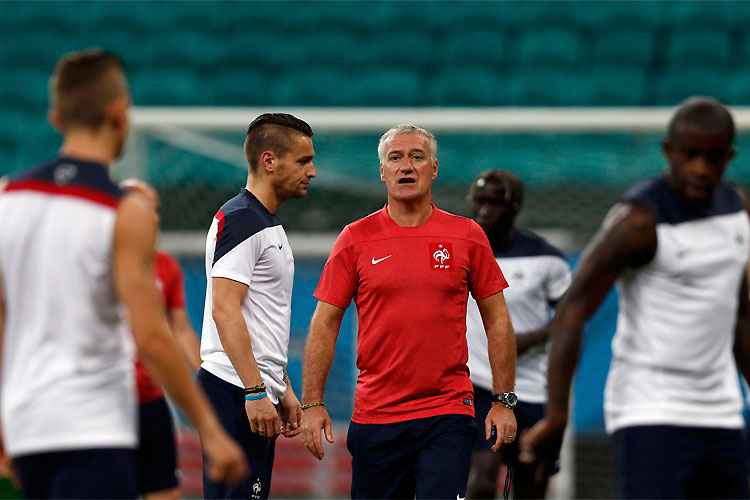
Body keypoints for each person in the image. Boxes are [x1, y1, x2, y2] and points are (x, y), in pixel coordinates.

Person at [0, 49, 247, 499]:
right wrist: (209, 429)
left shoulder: (7, 198)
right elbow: (151, 334)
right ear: (119, 112)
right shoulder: (123, 210)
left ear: (56, 117)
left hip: (28, 425)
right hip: (93, 423)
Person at [521, 97, 750, 499]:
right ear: (668, 152)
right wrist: (556, 416)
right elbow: (573, 310)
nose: (700, 167)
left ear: (729, 157)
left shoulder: (737, 212)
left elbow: (741, 313)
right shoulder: (639, 222)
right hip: (650, 408)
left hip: (721, 412)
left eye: (712, 157)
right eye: (689, 155)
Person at [301, 124, 517, 500]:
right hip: (376, 415)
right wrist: (313, 402)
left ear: (434, 169)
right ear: (382, 171)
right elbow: (325, 320)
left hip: (447, 411)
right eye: (395, 158)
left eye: (417, 157)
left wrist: (503, 400)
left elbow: (496, 318)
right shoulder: (355, 238)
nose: (406, 166)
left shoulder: (466, 235)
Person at [197, 113, 316, 499]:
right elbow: (225, 310)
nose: (312, 171)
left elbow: (260, 317)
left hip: (249, 386)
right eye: (303, 161)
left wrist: (280, 388)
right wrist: (253, 391)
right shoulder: (242, 220)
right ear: (269, 161)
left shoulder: (263, 222)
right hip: (233, 388)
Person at [465, 171, 571, 499]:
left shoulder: (546, 259)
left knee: (529, 486)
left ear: (515, 207)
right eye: (480, 201)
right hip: (481, 382)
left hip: (531, 388)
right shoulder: (461, 252)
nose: (485, 210)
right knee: (481, 482)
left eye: (495, 202)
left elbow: (572, 315)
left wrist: (531, 338)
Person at [120, 179, 201, 500]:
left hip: (150, 397)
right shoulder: (94, 260)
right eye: (144, 208)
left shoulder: (165, 266)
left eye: (156, 209)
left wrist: (203, 373)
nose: (153, 217)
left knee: (164, 489)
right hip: (105, 401)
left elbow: (179, 328)